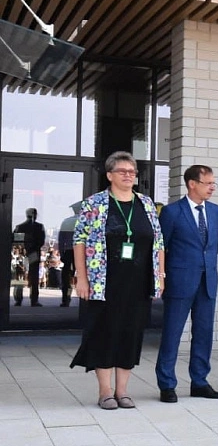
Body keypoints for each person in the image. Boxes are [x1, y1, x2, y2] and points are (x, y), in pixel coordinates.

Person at [70, 152, 165, 410]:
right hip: (104, 282)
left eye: (132, 171)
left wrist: (160, 275)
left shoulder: (146, 204)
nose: (128, 175)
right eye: (122, 171)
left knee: (130, 334)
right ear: (110, 175)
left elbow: (158, 243)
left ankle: (122, 391)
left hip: (138, 282)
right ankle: (105, 391)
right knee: (104, 333)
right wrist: (81, 278)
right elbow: (79, 241)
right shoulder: (94, 203)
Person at [155, 165, 218, 403]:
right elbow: (162, 247)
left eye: (214, 183)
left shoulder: (216, 212)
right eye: (208, 183)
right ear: (192, 184)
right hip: (180, 282)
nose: (212, 187)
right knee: (172, 333)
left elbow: (215, 245)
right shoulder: (172, 212)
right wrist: (162, 277)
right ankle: (167, 384)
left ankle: (200, 382)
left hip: (208, 281)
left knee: (204, 334)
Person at [13, 207, 46, 306]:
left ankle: (18, 299)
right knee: (33, 276)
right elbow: (41, 241)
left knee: (20, 277)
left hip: (23, 254)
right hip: (33, 253)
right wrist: (32, 247)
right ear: (35, 215)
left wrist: (23, 248)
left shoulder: (20, 227)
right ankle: (34, 300)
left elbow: (14, 240)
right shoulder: (39, 227)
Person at [58, 203, 82, 306]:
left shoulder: (66, 222)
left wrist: (62, 253)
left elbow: (61, 240)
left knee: (66, 276)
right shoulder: (85, 221)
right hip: (81, 251)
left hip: (68, 251)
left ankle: (65, 298)